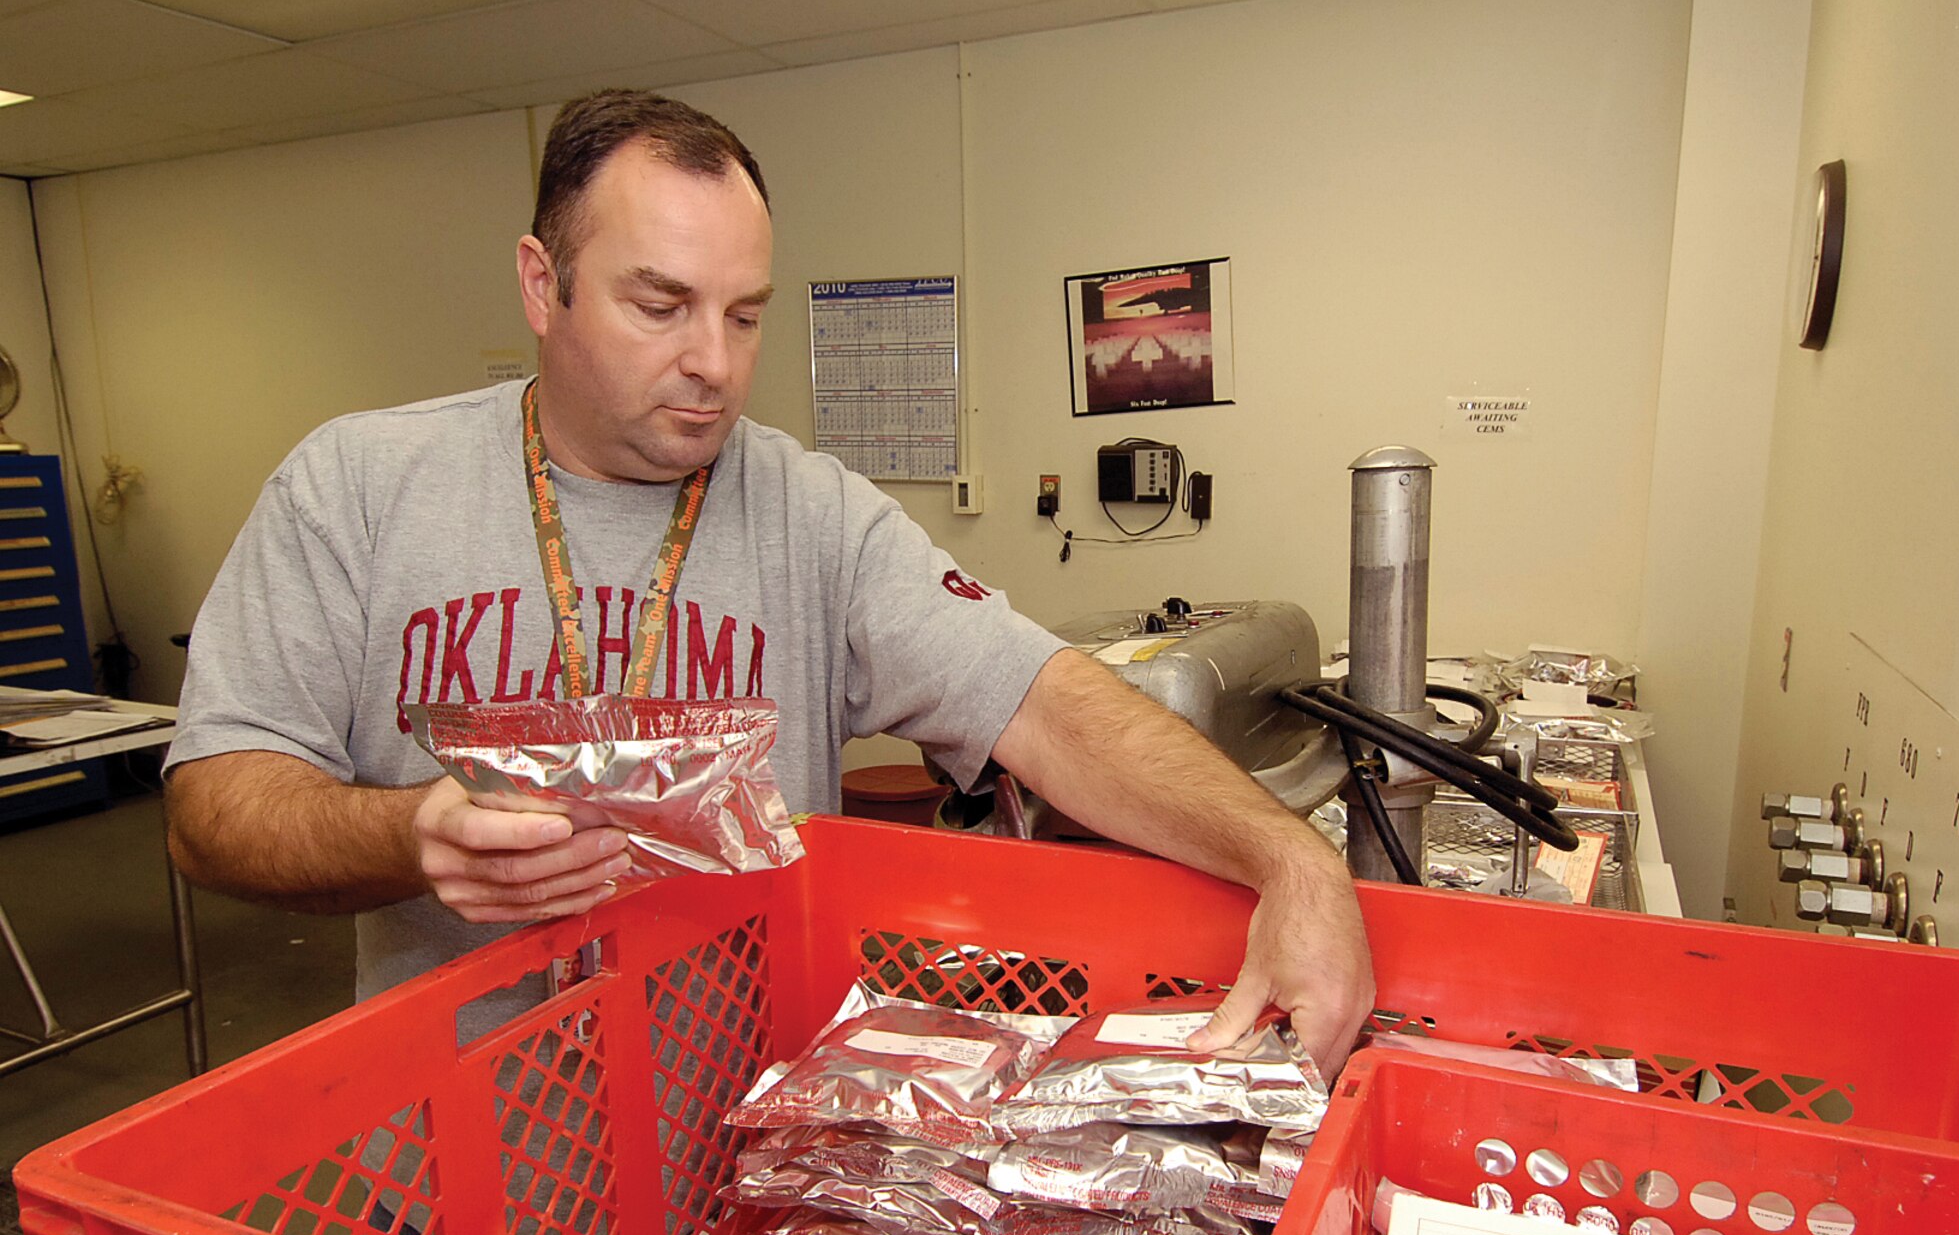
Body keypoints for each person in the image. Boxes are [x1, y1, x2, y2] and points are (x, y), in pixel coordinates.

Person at [165, 90, 1373, 1072]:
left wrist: (1292, 859)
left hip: (741, 1162)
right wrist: (410, 834)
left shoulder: (810, 511)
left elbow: (1043, 698)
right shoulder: (358, 487)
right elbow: (215, 805)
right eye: (660, 305)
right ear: (542, 285)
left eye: (744, 315)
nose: (713, 365)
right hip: (449, 1168)